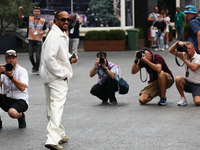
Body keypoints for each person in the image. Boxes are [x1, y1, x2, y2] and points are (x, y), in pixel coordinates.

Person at [40, 11, 78, 150]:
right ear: (55, 21)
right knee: (56, 107)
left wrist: (69, 58)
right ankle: (52, 138)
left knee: (52, 108)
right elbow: (49, 59)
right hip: (56, 77)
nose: (66, 21)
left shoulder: (59, 34)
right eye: (63, 19)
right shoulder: (55, 36)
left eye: (68, 19)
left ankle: (60, 134)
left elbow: (57, 55)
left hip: (50, 76)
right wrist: (62, 73)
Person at [0, 50, 29, 128]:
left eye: (13, 58)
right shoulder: (3, 70)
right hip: (7, 98)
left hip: (20, 100)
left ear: (17, 59)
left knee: (12, 113)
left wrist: (11, 77)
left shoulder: (22, 71)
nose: (11, 60)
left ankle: (21, 116)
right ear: (5, 59)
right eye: (9, 58)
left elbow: (23, 88)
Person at [169, 41, 200, 106]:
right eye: (186, 48)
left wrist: (183, 59)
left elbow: (193, 68)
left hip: (198, 85)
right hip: (188, 83)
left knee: (197, 102)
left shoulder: (198, 57)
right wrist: (177, 43)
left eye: (190, 48)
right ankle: (183, 99)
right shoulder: (184, 54)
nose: (188, 50)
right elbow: (171, 50)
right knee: (178, 79)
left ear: (194, 49)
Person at [18, 6, 47, 75]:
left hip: (38, 40)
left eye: (38, 11)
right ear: (33, 12)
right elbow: (20, 16)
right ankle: (34, 66)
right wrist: (20, 10)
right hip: (30, 39)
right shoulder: (29, 18)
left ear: (40, 12)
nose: (36, 13)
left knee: (37, 55)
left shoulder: (43, 20)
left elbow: (44, 29)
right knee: (30, 55)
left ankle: (36, 69)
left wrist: (42, 32)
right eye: (35, 11)